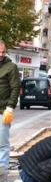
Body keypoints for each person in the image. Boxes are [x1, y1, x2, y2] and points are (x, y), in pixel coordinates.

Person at [0, 41, 20, 170]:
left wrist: (10, 107)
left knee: (2, 142)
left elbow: (15, 88)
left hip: (3, 110)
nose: (1, 54)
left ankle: (2, 169)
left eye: (3, 51)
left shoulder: (11, 67)